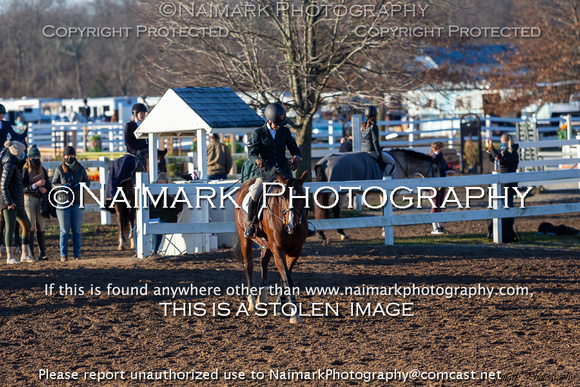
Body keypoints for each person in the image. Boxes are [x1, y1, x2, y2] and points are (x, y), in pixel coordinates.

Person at [244, 103, 302, 238]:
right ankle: (251, 224)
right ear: (269, 120)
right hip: (266, 172)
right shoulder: (259, 133)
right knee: (254, 195)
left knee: (298, 193)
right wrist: (257, 160)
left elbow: (295, 150)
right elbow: (252, 153)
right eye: (276, 123)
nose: (279, 126)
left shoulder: (285, 131)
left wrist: (296, 158)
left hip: (284, 172)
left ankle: (304, 223)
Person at [51, 146, 90, 261]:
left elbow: (87, 182)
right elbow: (53, 183)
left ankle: (77, 254)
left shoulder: (81, 169)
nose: (69, 158)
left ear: (74, 156)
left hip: (77, 202)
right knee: (64, 230)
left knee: (76, 230)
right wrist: (61, 187)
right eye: (67, 156)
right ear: (64, 157)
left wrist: (82, 185)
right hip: (63, 202)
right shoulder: (59, 169)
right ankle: (63, 255)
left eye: (71, 156)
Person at [0, 141, 35, 264]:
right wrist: (9, 202)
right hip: (10, 202)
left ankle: (24, 255)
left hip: (17, 201)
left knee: (27, 225)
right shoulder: (9, 164)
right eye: (23, 151)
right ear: (18, 152)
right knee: (9, 228)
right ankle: (9, 257)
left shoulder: (15, 163)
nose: (24, 153)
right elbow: (3, 185)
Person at [486, 134, 520, 241]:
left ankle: (508, 229)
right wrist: (489, 149)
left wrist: (492, 149)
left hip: (507, 184)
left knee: (508, 206)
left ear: (508, 142)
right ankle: (499, 230)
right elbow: (494, 159)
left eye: (503, 142)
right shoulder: (505, 152)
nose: (502, 144)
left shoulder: (512, 153)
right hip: (501, 184)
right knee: (499, 205)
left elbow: (500, 159)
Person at [23, 144, 51, 260]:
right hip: (29, 198)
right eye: (34, 157)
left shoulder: (43, 170)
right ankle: (30, 252)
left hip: (40, 199)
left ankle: (42, 252)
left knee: (40, 224)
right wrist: (35, 185)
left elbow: (49, 184)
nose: (36, 159)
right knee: (30, 225)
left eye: (38, 157)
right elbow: (22, 187)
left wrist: (46, 189)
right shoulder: (25, 170)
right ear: (29, 158)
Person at [149, 172, 183, 256]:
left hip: (167, 219)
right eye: (159, 183)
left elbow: (178, 208)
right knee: (136, 227)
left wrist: (166, 197)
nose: (160, 186)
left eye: (162, 184)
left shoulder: (173, 192)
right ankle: (139, 251)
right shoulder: (152, 192)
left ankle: (154, 251)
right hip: (152, 218)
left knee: (157, 226)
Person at [360, 106, 395, 173]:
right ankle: (383, 177)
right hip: (371, 152)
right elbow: (375, 141)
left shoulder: (363, 126)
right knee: (391, 162)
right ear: (375, 115)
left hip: (363, 151)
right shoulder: (373, 126)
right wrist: (379, 154)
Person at [430, 141, 451, 234]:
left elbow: (445, 167)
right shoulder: (433, 159)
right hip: (434, 185)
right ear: (434, 150)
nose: (442, 150)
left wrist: (451, 168)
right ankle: (435, 226)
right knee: (435, 204)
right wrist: (447, 172)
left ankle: (439, 225)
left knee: (440, 204)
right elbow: (437, 171)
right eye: (440, 149)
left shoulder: (441, 158)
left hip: (442, 183)